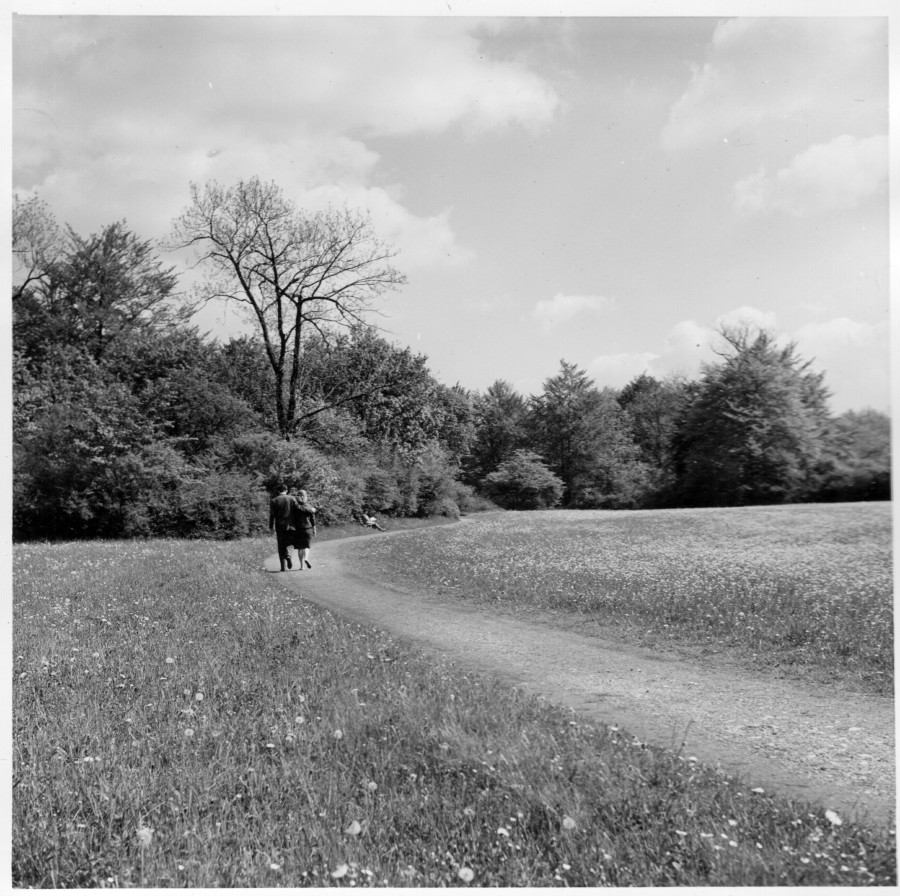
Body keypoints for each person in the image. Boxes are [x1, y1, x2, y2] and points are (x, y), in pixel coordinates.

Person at [269, 483, 298, 571]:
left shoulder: (274, 500)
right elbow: (297, 511)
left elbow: (272, 515)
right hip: (291, 525)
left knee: (281, 545)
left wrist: (271, 526)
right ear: (287, 490)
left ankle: (283, 567)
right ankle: (288, 555)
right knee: (291, 543)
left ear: (278, 491)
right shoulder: (292, 498)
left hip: (280, 526)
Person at [291, 488, 317, 569]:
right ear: (305, 496)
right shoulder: (309, 506)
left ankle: (302, 566)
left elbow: (292, 517)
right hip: (307, 528)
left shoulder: (295, 506)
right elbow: (313, 518)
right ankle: (306, 558)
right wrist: (314, 528)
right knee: (307, 546)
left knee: (300, 548)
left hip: (298, 529)